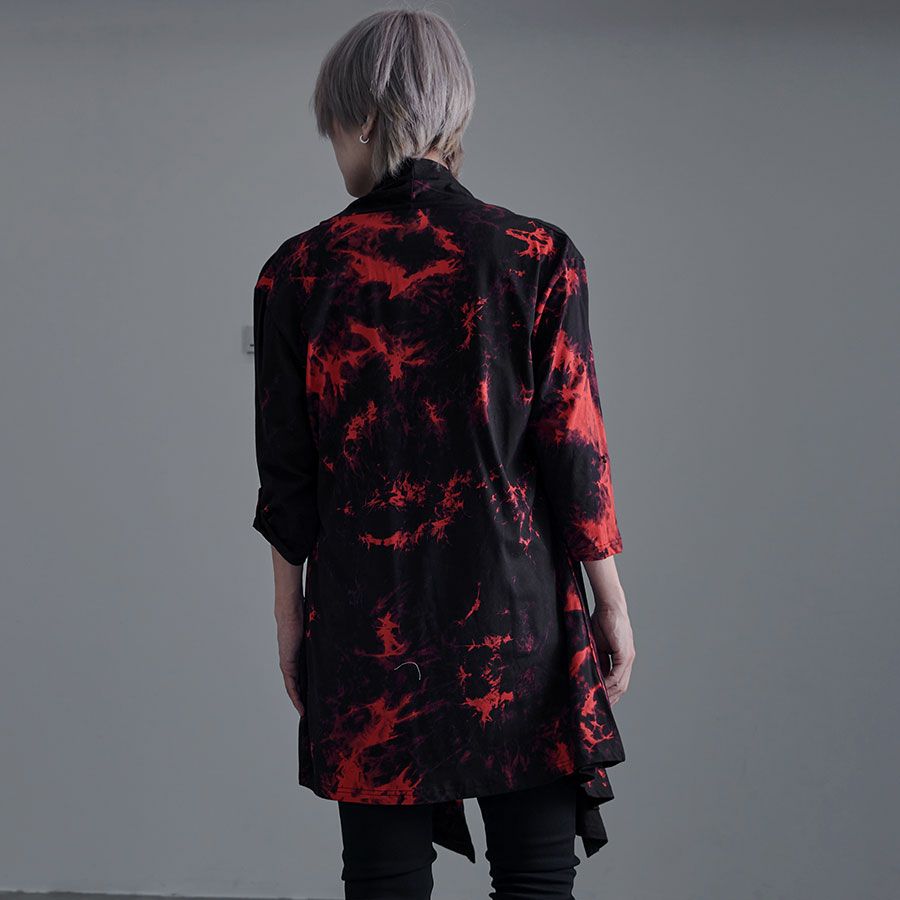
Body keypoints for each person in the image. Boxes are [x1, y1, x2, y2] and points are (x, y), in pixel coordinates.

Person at [251, 8, 636, 899]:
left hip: (365, 616)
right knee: (535, 876)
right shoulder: (536, 255)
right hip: (516, 616)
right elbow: (576, 451)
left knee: (384, 880)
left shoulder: (296, 272)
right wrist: (610, 601)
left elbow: (287, 475)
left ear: (361, 120)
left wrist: (290, 617)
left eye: (332, 129)